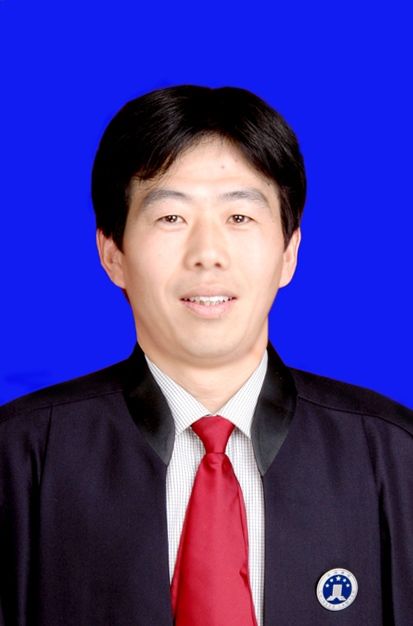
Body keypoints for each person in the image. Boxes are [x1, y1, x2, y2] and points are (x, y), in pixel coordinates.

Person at [0, 85, 412, 626]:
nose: (208, 254)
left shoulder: (394, 456)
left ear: (289, 252)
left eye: (239, 217)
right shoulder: (20, 456)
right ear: (113, 253)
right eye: (171, 218)